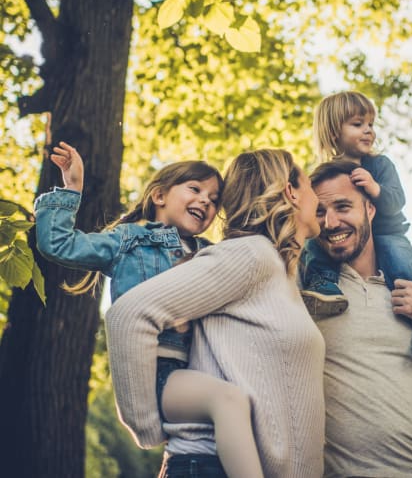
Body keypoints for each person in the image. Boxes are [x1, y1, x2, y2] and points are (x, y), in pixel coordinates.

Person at [34, 142, 266, 478]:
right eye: (196, 189)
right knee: (227, 401)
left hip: (198, 368)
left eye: (215, 201)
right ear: (159, 196)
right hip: (157, 372)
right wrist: (72, 189)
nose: (205, 201)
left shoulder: (210, 253)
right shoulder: (130, 240)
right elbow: (58, 244)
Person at [104, 149, 326, 478]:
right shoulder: (250, 255)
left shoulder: (278, 270)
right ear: (290, 191)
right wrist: (147, 425)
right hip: (208, 467)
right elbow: (127, 315)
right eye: (310, 185)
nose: (317, 199)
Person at [300, 159, 412, 477]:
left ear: (370, 209)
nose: (331, 222)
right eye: (320, 211)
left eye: (343, 207)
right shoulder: (306, 289)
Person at [301, 90, 412, 363]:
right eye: (358, 124)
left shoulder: (380, 165)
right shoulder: (325, 175)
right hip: (346, 239)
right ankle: (324, 284)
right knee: (312, 244)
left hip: (386, 233)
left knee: (402, 264)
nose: (368, 131)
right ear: (333, 133)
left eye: (370, 125)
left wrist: (375, 188)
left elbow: (397, 201)